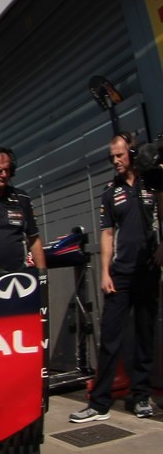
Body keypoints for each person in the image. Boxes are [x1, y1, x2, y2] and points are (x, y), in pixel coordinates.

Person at [71, 133, 159, 422]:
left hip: (147, 271)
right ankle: (99, 403)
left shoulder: (152, 182)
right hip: (119, 274)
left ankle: (142, 396)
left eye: (120, 155)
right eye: (112, 157)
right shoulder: (110, 191)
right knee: (110, 336)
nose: (116, 161)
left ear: (132, 153)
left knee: (145, 335)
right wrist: (106, 272)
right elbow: (107, 234)